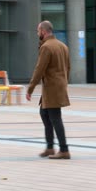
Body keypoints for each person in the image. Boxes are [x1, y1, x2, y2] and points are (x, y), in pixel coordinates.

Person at [26, 20, 71, 159]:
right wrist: (64, 82)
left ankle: (64, 150)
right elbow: (68, 68)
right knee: (45, 114)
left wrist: (30, 89)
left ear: (43, 32)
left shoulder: (46, 47)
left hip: (52, 88)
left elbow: (39, 69)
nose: (37, 33)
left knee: (55, 118)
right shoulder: (63, 46)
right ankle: (50, 147)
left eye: (38, 31)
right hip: (57, 87)